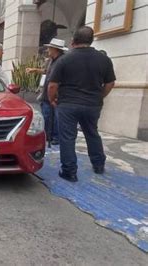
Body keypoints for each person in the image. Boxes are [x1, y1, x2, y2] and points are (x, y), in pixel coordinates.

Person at [47, 26, 116, 182]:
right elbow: (110, 83)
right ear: (91, 41)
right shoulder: (103, 59)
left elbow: (52, 85)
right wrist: (100, 96)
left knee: (67, 137)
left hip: (68, 104)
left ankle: (69, 171)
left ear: (73, 41)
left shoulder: (65, 59)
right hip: (92, 105)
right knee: (92, 133)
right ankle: (98, 165)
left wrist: (52, 99)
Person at [27, 38, 68, 145]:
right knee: (47, 116)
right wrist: (35, 70)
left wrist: (53, 95)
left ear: (55, 49)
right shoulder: (51, 61)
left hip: (55, 95)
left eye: (50, 48)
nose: (48, 50)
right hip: (47, 94)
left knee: (55, 118)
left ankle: (55, 137)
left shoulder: (62, 61)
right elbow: (47, 71)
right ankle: (48, 136)